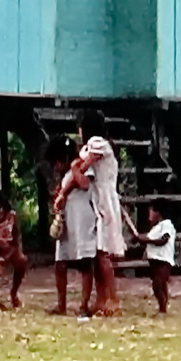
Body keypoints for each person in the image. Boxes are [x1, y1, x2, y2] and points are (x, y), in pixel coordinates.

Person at [60, 110, 124, 316]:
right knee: (97, 254)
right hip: (97, 201)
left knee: (104, 254)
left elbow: (82, 167)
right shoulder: (92, 146)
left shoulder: (98, 143)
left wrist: (73, 170)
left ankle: (113, 298)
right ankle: (101, 299)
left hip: (105, 199)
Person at [47, 137, 95, 315]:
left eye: (57, 162)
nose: (55, 167)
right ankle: (61, 304)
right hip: (67, 221)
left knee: (85, 263)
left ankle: (84, 305)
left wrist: (75, 167)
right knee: (61, 262)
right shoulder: (64, 177)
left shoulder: (84, 167)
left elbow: (83, 184)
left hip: (82, 220)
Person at [132, 199, 179, 314]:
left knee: (158, 283)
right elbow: (149, 241)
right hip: (154, 261)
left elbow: (163, 240)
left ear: (158, 213)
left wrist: (145, 240)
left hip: (163, 260)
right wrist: (138, 240)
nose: (149, 214)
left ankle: (163, 308)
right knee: (159, 285)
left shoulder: (167, 224)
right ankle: (162, 306)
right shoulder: (155, 229)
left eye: (151, 211)